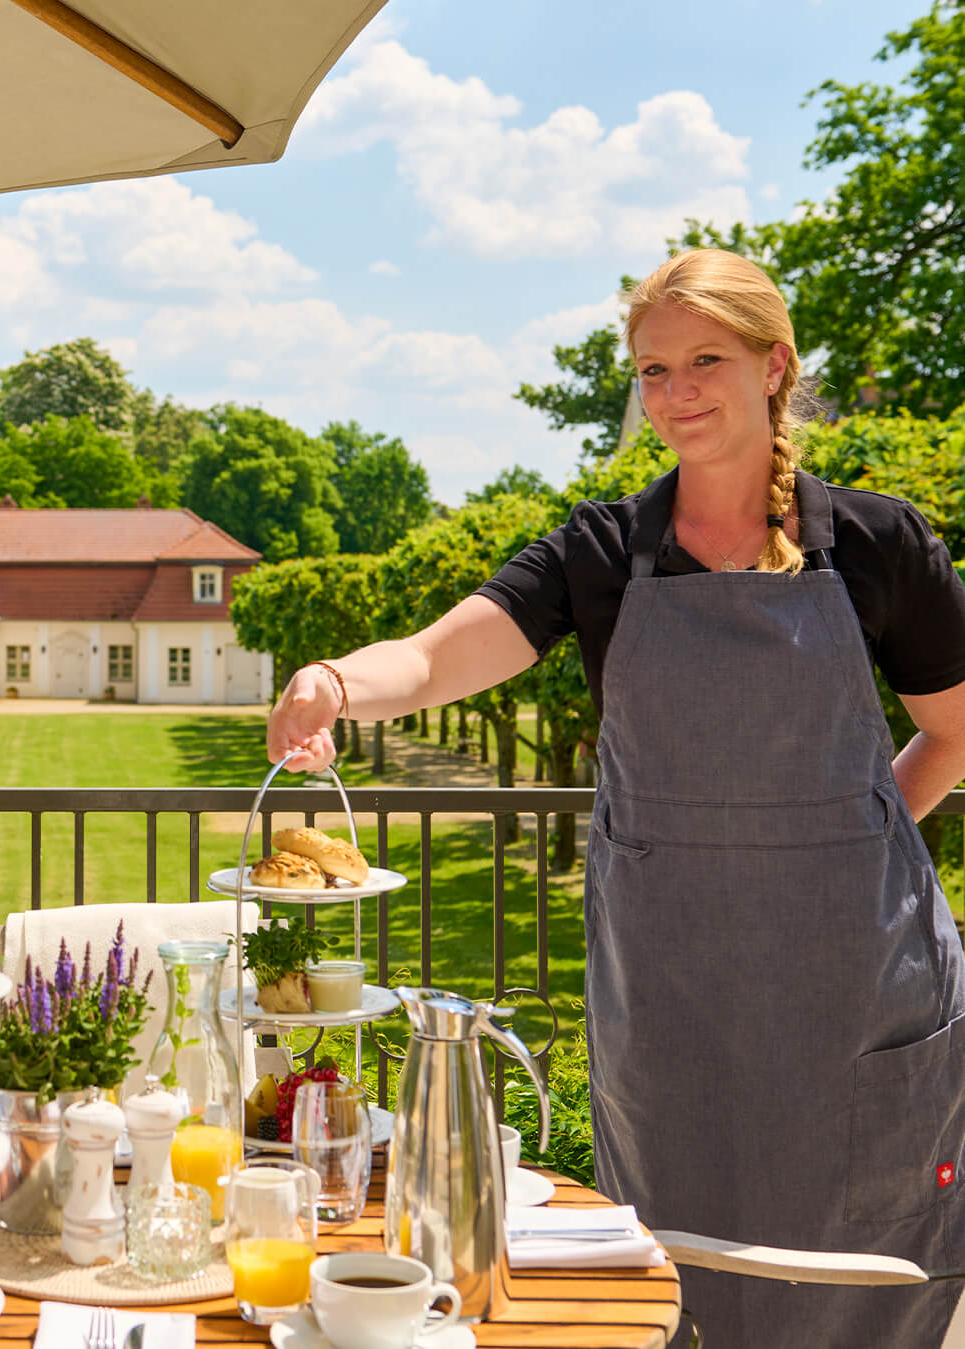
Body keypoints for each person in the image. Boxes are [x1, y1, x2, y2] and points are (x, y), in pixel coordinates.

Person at [267, 248, 965, 1347]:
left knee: (856, 1262)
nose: (675, 391)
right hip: (669, 990)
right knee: (677, 1267)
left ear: (772, 365)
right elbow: (440, 658)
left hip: (855, 989)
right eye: (650, 370)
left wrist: (856, 841)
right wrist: (335, 684)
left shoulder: (876, 544)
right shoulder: (600, 554)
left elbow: (954, 730)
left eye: (703, 360)